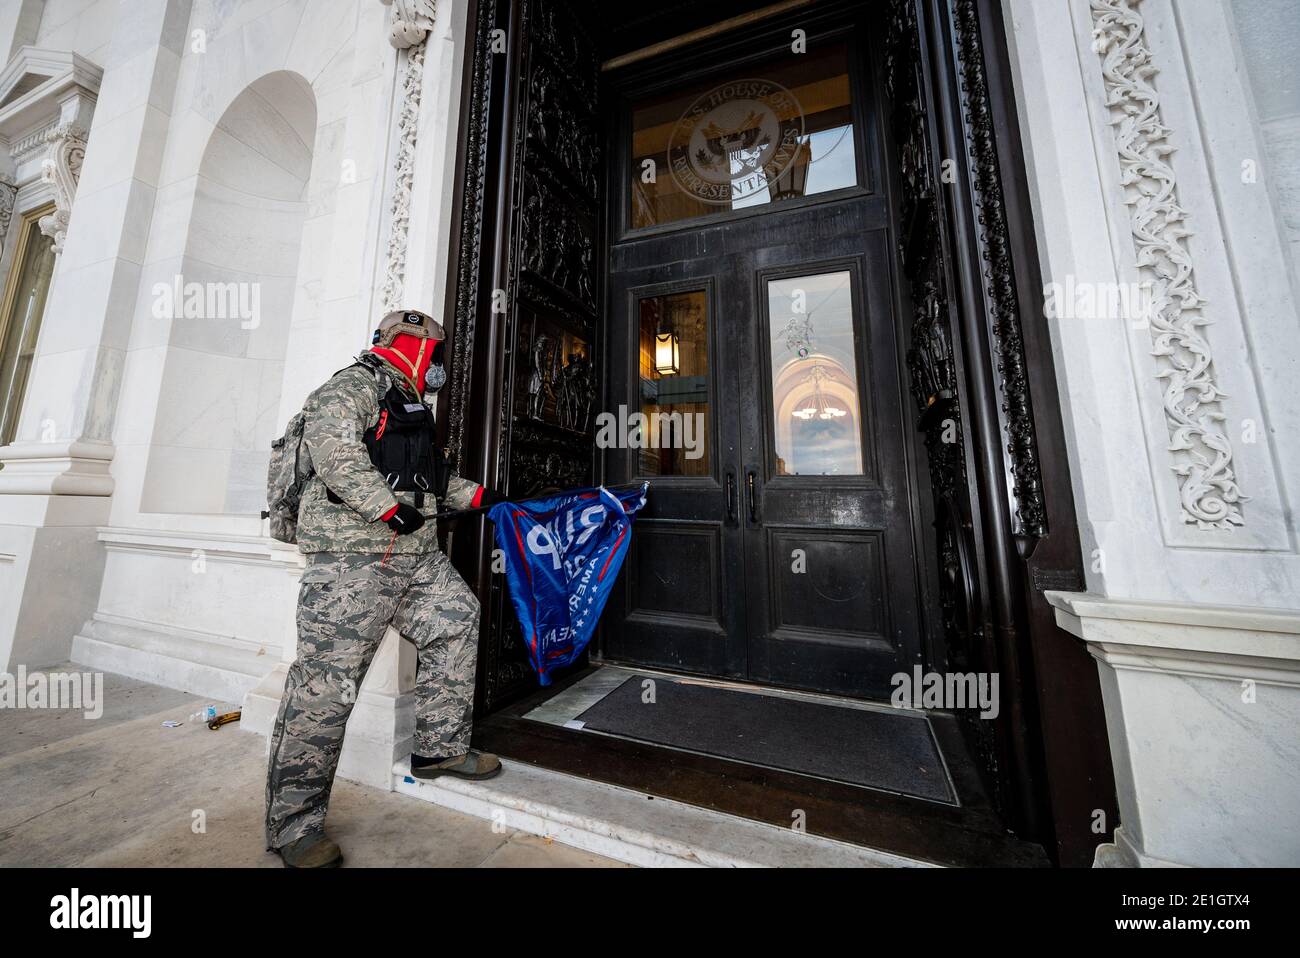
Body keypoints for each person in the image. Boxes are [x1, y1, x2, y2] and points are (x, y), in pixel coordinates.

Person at [264, 308, 501, 869]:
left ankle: (438, 750)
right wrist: (387, 510)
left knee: (457, 621)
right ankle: (293, 826)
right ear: (414, 347)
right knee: (326, 687)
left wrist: (483, 496)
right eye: (435, 354)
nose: (440, 367)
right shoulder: (353, 386)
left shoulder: (412, 406)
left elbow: (426, 483)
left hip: (413, 557)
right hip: (353, 560)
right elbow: (334, 452)